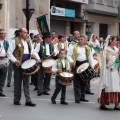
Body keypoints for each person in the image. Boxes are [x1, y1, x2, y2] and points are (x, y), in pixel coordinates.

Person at [7, 28, 36, 106]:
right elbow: (9, 53)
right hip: (18, 64)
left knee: (26, 83)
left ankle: (28, 100)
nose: (26, 34)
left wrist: (32, 53)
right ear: (20, 33)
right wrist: (15, 60)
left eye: (27, 32)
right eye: (25, 32)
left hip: (27, 64)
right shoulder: (14, 41)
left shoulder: (28, 41)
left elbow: (32, 49)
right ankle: (16, 99)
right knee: (18, 82)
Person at [67, 35, 94, 103]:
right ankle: (77, 98)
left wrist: (92, 67)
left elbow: (90, 58)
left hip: (85, 64)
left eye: (81, 39)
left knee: (84, 82)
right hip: (76, 64)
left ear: (85, 40)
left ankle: (82, 97)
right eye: (79, 39)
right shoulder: (74, 47)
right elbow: (68, 55)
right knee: (76, 82)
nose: (80, 41)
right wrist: (71, 61)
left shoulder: (88, 48)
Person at [98, 35, 120, 110]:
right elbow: (110, 62)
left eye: (117, 41)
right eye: (115, 41)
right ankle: (103, 103)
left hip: (114, 71)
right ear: (111, 41)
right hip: (108, 71)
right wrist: (116, 55)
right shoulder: (107, 50)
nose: (116, 42)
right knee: (108, 86)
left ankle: (117, 104)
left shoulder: (116, 49)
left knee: (116, 87)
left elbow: (117, 61)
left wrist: (117, 63)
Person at [34, 32, 56, 96]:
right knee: (40, 76)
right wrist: (38, 58)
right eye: (47, 37)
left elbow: (55, 52)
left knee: (48, 76)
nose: (48, 39)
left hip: (49, 61)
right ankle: (40, 90)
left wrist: (55, 53)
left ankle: (46, 89)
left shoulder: (52, 44)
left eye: (49, 37)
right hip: (42, 61)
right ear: (45, 38)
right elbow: (35, 52)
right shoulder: (40, 44)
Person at [0, 29, 9, 97]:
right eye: (3, 33)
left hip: (4, 61)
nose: (4, 34)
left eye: (5, 33)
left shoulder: (6, 42)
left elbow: (9, 51)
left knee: (3, 76)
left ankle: (0, 90)